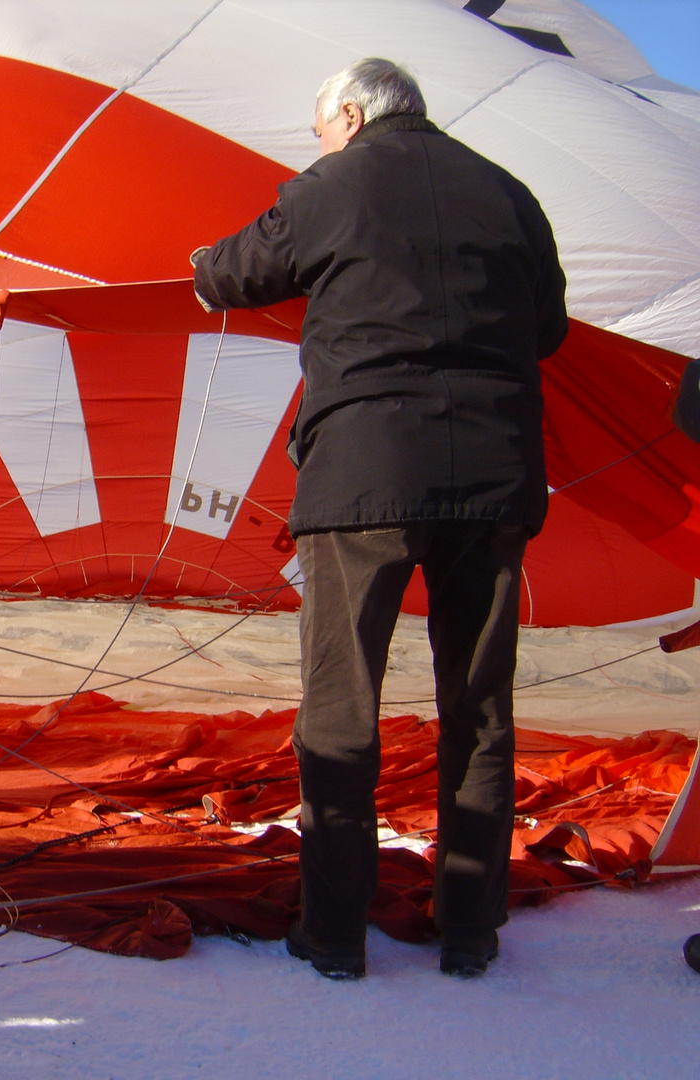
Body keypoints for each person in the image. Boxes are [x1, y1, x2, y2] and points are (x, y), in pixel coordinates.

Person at [192, 58, 567, 979]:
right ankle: (472, 930)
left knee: (341, 705)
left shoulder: (336, 182)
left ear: (350, 116)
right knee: (479, 707)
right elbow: (548, 326)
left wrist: (199, 267)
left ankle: (334, 933)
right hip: (494, 478)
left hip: (364, 476)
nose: (316, 144)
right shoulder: (509, 192)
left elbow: (241, 271)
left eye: (319, 129)